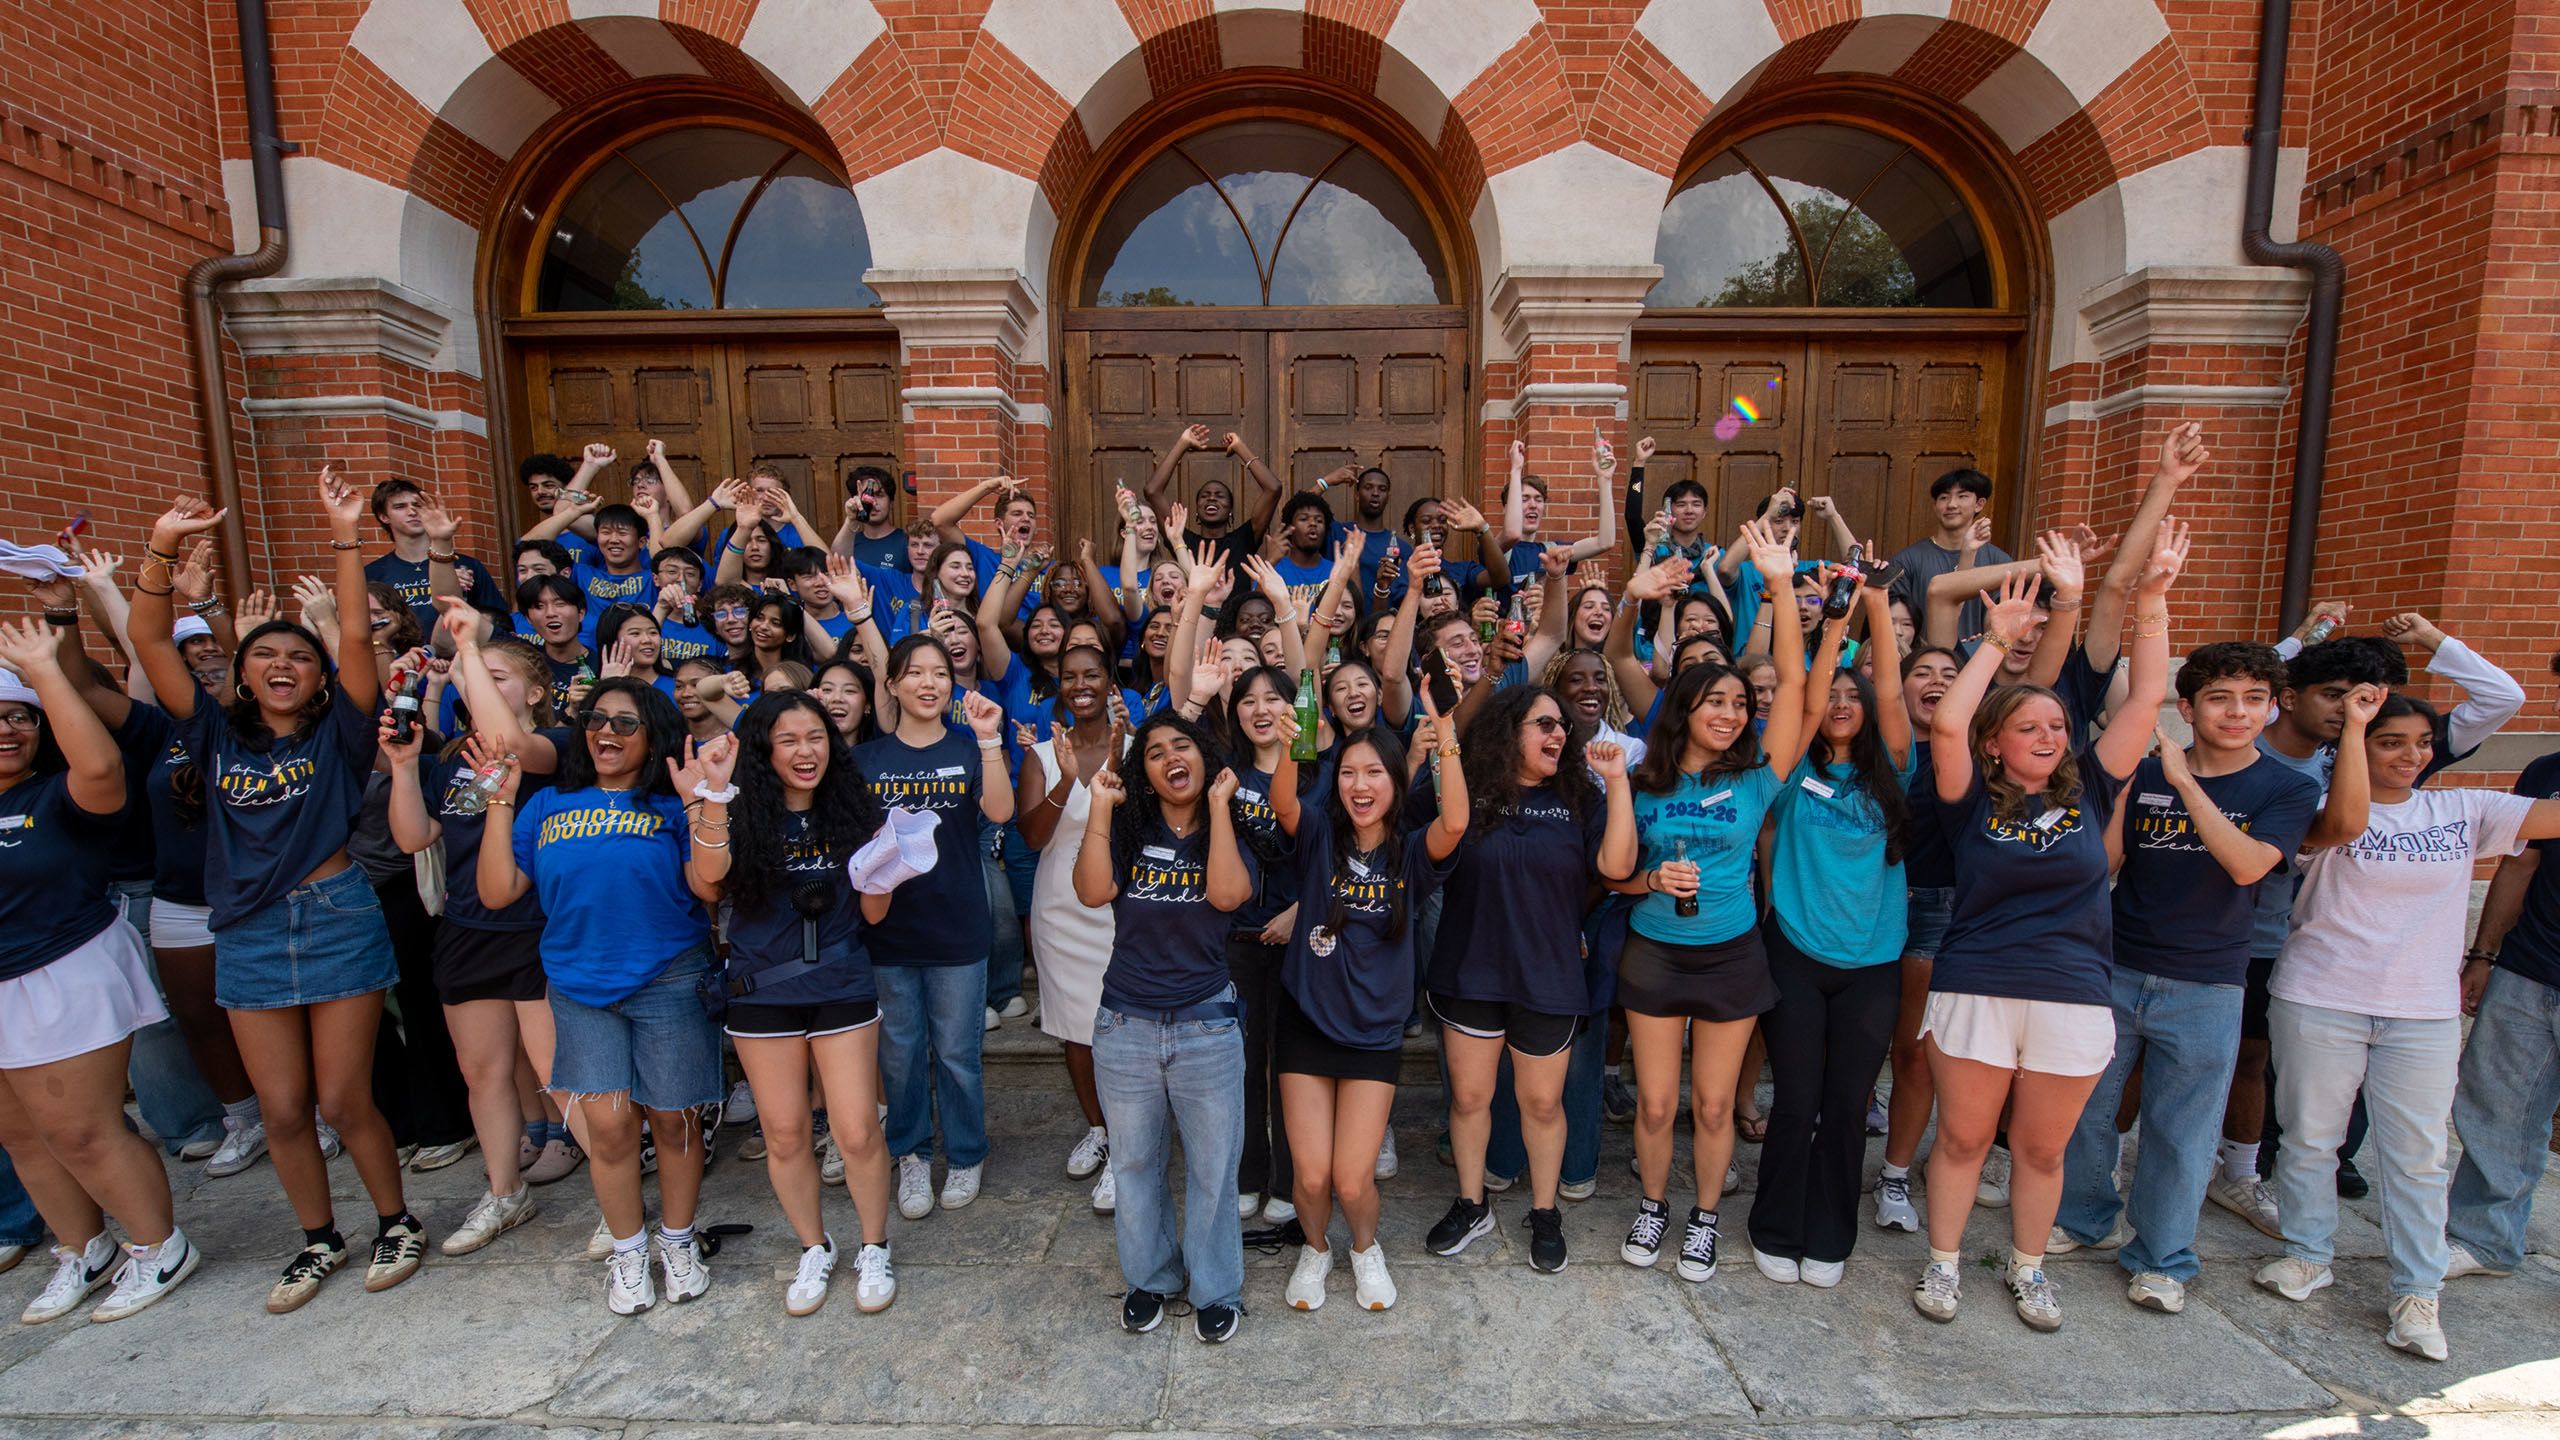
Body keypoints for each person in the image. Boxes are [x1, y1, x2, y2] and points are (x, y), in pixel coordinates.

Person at [131, 474, 427, 1314]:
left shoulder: (341, 731)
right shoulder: (214, 733)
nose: (283, 665)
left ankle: (394, 1220)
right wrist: (161, 547)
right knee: (284, 1106)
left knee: (342, 1097)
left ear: (318, 674)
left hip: (334, 915)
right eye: (266, 654)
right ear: (243, 672)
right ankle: (317, 1239)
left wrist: (342, 537)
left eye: (299, 655)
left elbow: (358, 647)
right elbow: (151, 640)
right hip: (250, 927)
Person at [1909, 521, 2182, 1335]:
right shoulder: (1968, 803)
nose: (2049, 736)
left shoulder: (2091, 793)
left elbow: (2144, 700)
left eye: (2057, 727)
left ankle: (2028, 1270)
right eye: (2029, 728)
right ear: (1998, 745)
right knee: (1960, 1140)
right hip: (1978, 984)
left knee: (2042, 1149)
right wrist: (1994, 643)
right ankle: (1945, 1261)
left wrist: (2153, 600)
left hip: (2070, 992)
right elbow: (1949, 724)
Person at [2254, 693, 2560, 1362]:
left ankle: (2418, 1293)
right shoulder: (2319, 815)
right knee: (2311, 1138)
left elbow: (2553, 817)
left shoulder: (2466, 809)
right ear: (2358, 749)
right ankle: (2309, 1254)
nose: (2412, 755)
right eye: (2391, 741)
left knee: (2417, 1156)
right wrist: (2355, 728)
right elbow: (2340, 823)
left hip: (2422, 1010)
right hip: (2322, 995)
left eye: (2423, 742)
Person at [2050, 642, 2321, 1314]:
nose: (2238, 712)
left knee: (2181, 1128)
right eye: (2222, 698)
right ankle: (2087, 1219)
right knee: (2086, 1109)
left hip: (2208, 980)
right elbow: (2105, 862)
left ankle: (2163, 1258)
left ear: (2271, 707)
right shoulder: (2144, 774)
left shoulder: (2287, 787)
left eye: (2253, 699)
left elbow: (2249, 865)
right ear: (2189, 706)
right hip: (2115, 965)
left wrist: (2183, 782)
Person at [475, 679, 726, 1315]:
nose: (606, 732)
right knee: (610, 1131)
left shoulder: (670, 804)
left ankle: (676, 1239)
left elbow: (710, 887)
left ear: (654, 735)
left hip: (669, 979)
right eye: (596, 719)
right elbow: (498, 891)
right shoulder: (548, 804)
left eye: (625, 722)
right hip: (579, 987)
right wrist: (500, 805)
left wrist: (701, 804)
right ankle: (628, 1249)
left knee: (674, 1120)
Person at [1612, 520, 1816, 1285]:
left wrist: (1780, 583)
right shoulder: (1645, 781)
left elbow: (1793, 685)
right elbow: (1614, 877)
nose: (1732, 714)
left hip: (1732, 954)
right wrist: (1650, 883)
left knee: (1713, 1102)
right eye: (1716, 703)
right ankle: (1654, 1204)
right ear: (1685, 709)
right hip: (1656, 951)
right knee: (1658, 1104)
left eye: (1739, 703)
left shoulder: (1758, 775)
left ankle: (1703, 1220)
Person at [0, 619, 200, 1323]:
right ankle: (84, 1249)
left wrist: (45, 672)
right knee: (25, 1135)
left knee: (85, 1130)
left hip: (63, 972)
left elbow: (103, 769)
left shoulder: (55, 795)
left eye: (17, 718)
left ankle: (159, 1246)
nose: (7, 730)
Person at [1422, 679, 1637, 1274]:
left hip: (1548, 973)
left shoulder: (1580, 799)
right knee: (1469, 1098)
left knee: (1542, 1103)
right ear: (1507, 731)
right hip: (1471, 970)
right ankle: (1472, 1204)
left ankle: (1545, 1212)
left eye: (1562, 726)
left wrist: (1616, 782)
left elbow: (1618, 868)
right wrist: (1441, 727)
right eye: (1543, 723)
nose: (1558, 733)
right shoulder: (1474, 792)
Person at [385, 609, 583, 1253]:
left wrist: (467, 646)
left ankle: (620, 1192)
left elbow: (516, 748)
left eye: (498, 677)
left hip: (536, 931)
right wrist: (406, 766)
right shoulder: (455, 760)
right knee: (484, 1073)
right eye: (476, 677)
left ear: (533, 692)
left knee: (559, 1072)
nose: (480, 685)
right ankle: (504, 1193)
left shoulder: (556, 746)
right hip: (467, 930)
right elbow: (414, 837)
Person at [708, 692, 905, 1315]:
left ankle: (874, 1245)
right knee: (786, 1133)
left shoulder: (857, 810)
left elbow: (874, 912)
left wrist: (889, 868)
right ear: (765, 748)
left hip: (841, 985)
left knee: (854, 1127)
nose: (806, 751)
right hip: (761, 991)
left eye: (816, 737)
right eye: (789, 739)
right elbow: (704, 883)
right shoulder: (736, 811)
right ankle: (813, 1246)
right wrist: (712, 799)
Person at [1746, 572, 1912, 1287]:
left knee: (1847, 1107)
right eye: (1835, 696)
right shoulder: (1787, 773)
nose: (1842, 704)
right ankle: (1774, 1225)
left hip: (1873, 962)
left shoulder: (1895, 768)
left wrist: (1878, 607)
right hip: (1797, 952)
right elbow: (1806, 696)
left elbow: (1895, 696)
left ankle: (1829, 1233)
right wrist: (1835, 627)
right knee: (1797, 1102)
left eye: (1855, 696)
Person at [1271, 711, 1467, 1312]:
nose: (1360, 785)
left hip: (1374, 1035)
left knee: (1353, 1179)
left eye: (1374, 772)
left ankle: (1362, 1249)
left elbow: (1455, 820)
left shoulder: (1410, 854)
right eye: (1349, 773)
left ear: (1395, 783)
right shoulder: (1319, 839)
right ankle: (1315, 1249)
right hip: (1306, 1020)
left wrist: (1446, 733)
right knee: (1309, 1177)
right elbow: (1283, 803)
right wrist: (1286, 746)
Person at [1071, 710, 1256, 1343]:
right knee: (1134, 1163)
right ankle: (1150, 1277)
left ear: (1205, 758)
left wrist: (1221, 811)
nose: (1171, 758)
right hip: (1125, 1024)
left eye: (1184, 746)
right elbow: (1092, 893)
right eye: (1155, 752)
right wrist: (1100, 807)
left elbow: (1229, 898)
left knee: (1212, 1167)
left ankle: (1214, 1286)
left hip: (1207, 1025)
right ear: (1142, 771)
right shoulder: (1128, 828)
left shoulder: (1231, 826)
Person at [855, 637, 1012, 1221]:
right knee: (899, 1054)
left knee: (957, 1054)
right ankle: (913, 1155)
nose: (930, 683)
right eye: (915, 673)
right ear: (891, 685)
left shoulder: (968, 750)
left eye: (940, 673)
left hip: (958, 926)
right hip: (888, 931)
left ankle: (967, 1153)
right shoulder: (865, 760)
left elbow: (999, 813)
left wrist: (991, 739)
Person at [2446, 674, 2560, 1283]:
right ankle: (2483, 1239)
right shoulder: (2547, 770)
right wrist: (2484, 955)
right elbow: (2519, 867)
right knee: (2499, 1109)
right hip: (2529, 967)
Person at [1016, 645, 1130, 1210]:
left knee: (1123, 1027)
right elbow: (1033, 837)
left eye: (1092, 674)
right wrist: (1064, 780)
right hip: (1061, 908)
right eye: (1069, 677)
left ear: (1111, 683)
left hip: (1124, 905)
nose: (1080, 684)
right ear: (1058, 686)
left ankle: (1130, 1143)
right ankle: (1100, 1130)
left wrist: (1124, 758)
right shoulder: (1041, 754)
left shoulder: (1132, 746)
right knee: (1077, 1031)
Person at [1876, 644, 1963, 1232]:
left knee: (1913, 1053)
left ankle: (1894, 1176)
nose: (1935, 682)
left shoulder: (1977, 751)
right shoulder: (1877, 748)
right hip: (1866, 905)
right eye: (1922, 674)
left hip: (1938, 910)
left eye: (1949, 675)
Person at [364, 479, 504, 635]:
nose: (412, 511)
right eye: (400, 507)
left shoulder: (466, 565)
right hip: (402, 656)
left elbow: (499, 621)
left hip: (459, 653)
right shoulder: (372, 573)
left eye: (417, 505)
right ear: (384, 517)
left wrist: (459, 593)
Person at [1888, 467, 2010, 644]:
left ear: (1979, 504)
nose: (1951, 504)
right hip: (1920, 662)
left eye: (1962, 496)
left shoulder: (2000, 562)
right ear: (1935, 506)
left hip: (1979, 661)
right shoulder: (1906, 561)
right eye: (1944, 497)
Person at [830, 464, 907, 571]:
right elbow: (836, 561)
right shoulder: (850, 541)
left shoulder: (906, 541)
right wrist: (851, 519)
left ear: (891, 502)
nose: (873, 503)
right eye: (867, 496)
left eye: (879, 495)